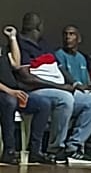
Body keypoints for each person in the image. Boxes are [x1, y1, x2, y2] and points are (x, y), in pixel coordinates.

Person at [16, 13, 91, 163]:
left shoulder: (44, 44)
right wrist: (60, 86)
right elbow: (26, 78)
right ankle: (56, 149)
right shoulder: (20, 44)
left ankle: (73, 146)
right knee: (65, 98)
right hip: (36, 90)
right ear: (40, 26)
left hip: (58, 88)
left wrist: (75, 84)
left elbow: (60, 68)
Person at [0, 25, 52, 164]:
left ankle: (35, 151)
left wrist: (12, 38)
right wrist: (10, 91)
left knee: (43, 104)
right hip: (4, 94)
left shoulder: (2, 50)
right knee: (9, 102)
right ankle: (9, 150)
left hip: (14, 92)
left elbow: (16, 64)